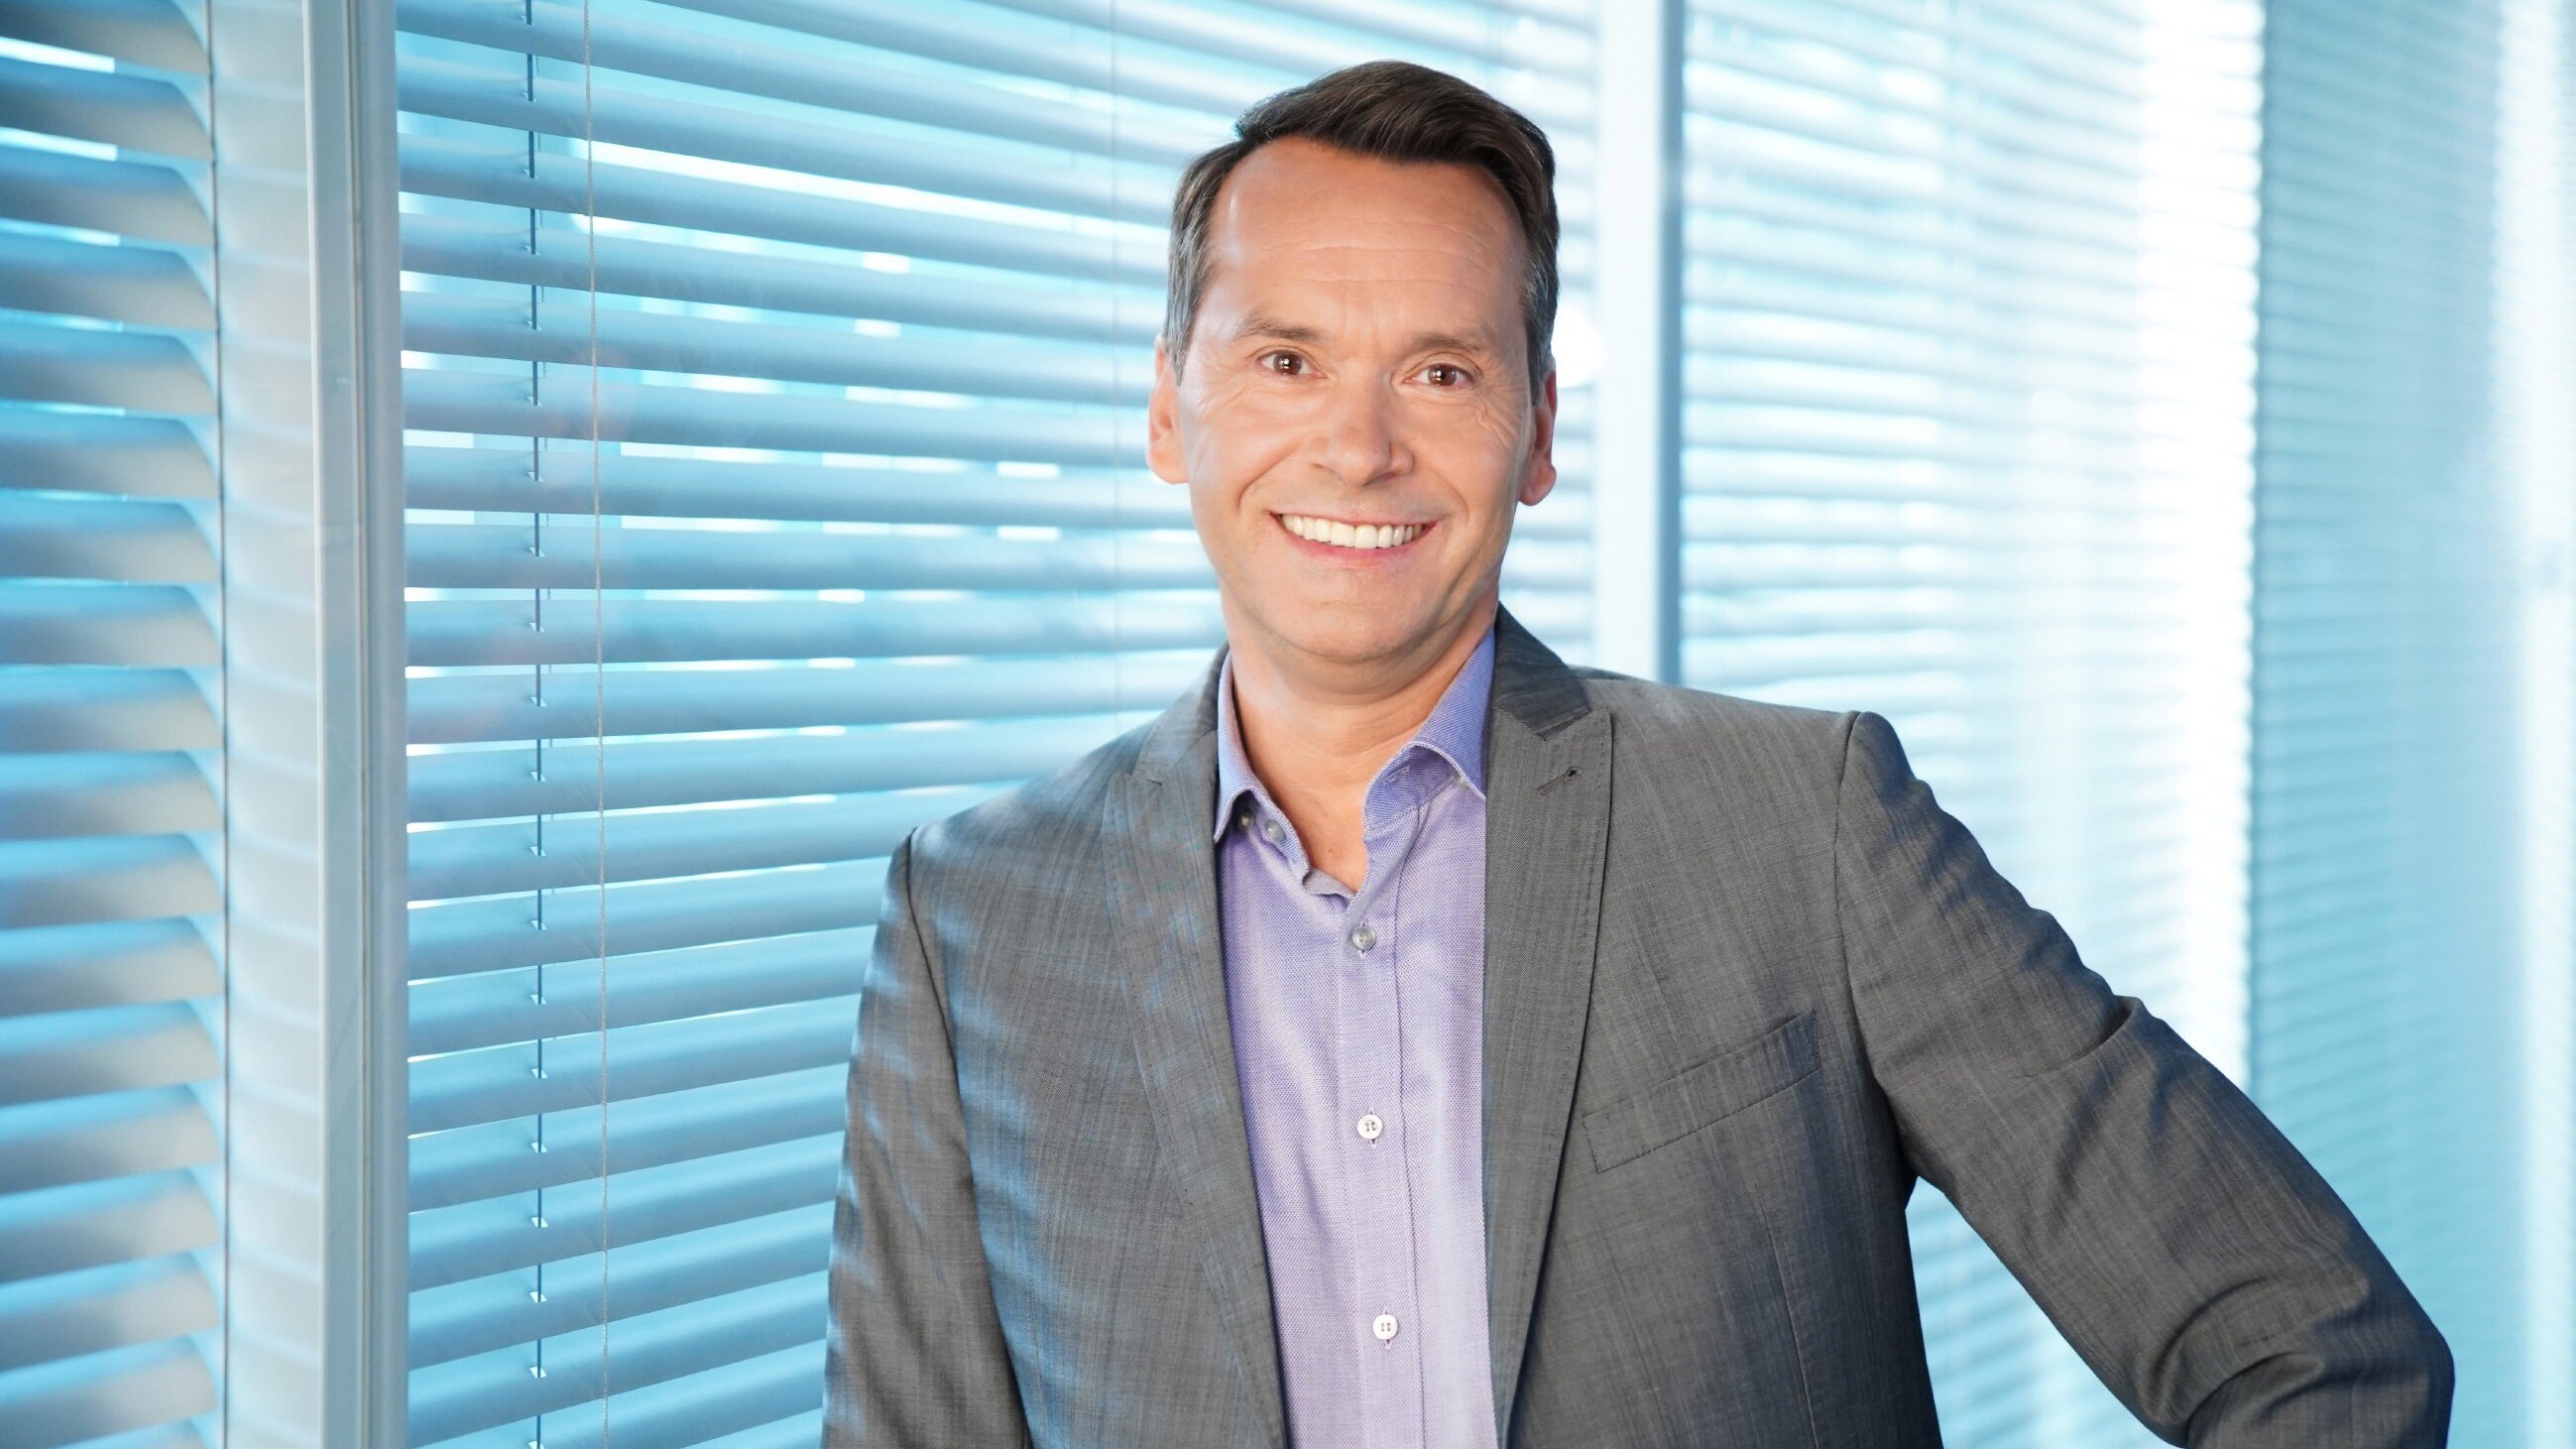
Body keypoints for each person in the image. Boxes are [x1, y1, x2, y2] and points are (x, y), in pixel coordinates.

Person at [821, 58, 2451, 1449]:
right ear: (1169, 409)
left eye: (1440, 371)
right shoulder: (975, 922)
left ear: (1535, 431)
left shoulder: (1799, 829)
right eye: (1285, 358)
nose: (1360, 445)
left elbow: (2312, 1347)